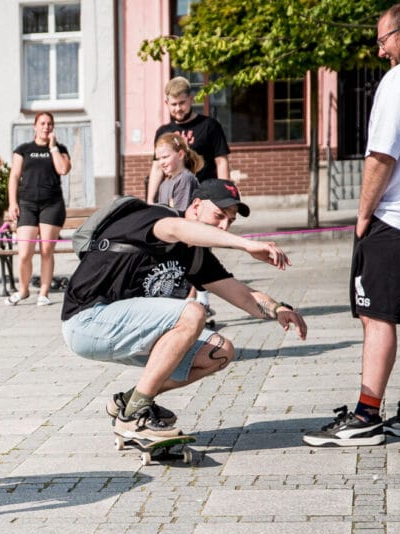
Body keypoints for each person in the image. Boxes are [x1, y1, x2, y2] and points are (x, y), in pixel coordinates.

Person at [61, 180, 307, 439]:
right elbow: (179, 228)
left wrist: (279, 309)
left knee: (220, 351)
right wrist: (246, 245)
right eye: (219, 215)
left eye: (230, 221)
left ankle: (129, 403)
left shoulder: (194, 254)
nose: (223, 225)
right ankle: (134, 417)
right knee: (193, 311)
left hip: (121, 327)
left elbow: (240, 293)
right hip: (87, 320)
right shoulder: (157, 219)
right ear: (196, 206)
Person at [304, 3, 400, 447]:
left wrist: (363, 215)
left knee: (376, 315)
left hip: (394, 220)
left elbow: (381, 156)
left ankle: (366, 416)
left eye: (383, 39)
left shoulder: (397, 83)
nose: (380, 51)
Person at [6, 111, 72, 306]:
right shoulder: (23, 150)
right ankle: (23, 290)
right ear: (35, 126)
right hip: (27, 204)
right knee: (25, 252)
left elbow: (63, 170)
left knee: (46, 251)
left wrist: (53, 148)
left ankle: (43, 292)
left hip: (51, 205)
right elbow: (14, 177)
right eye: (42, 123)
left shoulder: (60, 148)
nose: (46, 127)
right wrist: (12, 202)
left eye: (49, 124)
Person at [146, 76, 231, 209]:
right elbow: (157, 168)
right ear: (166, 103)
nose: (178, 108)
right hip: (176, 199)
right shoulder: (163, 132)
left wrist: (223, 196)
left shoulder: (209, 126)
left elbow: (221, 162)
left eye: (182, 103)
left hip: (206, 197)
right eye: (174, 104)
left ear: (191, 99)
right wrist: (150, 201)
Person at [153, 132, 203, 212]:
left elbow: (180, 214)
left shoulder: (185, 179)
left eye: (165, 157)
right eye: (158, 159)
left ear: (180, 155)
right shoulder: (164, 184)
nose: (161, 162)